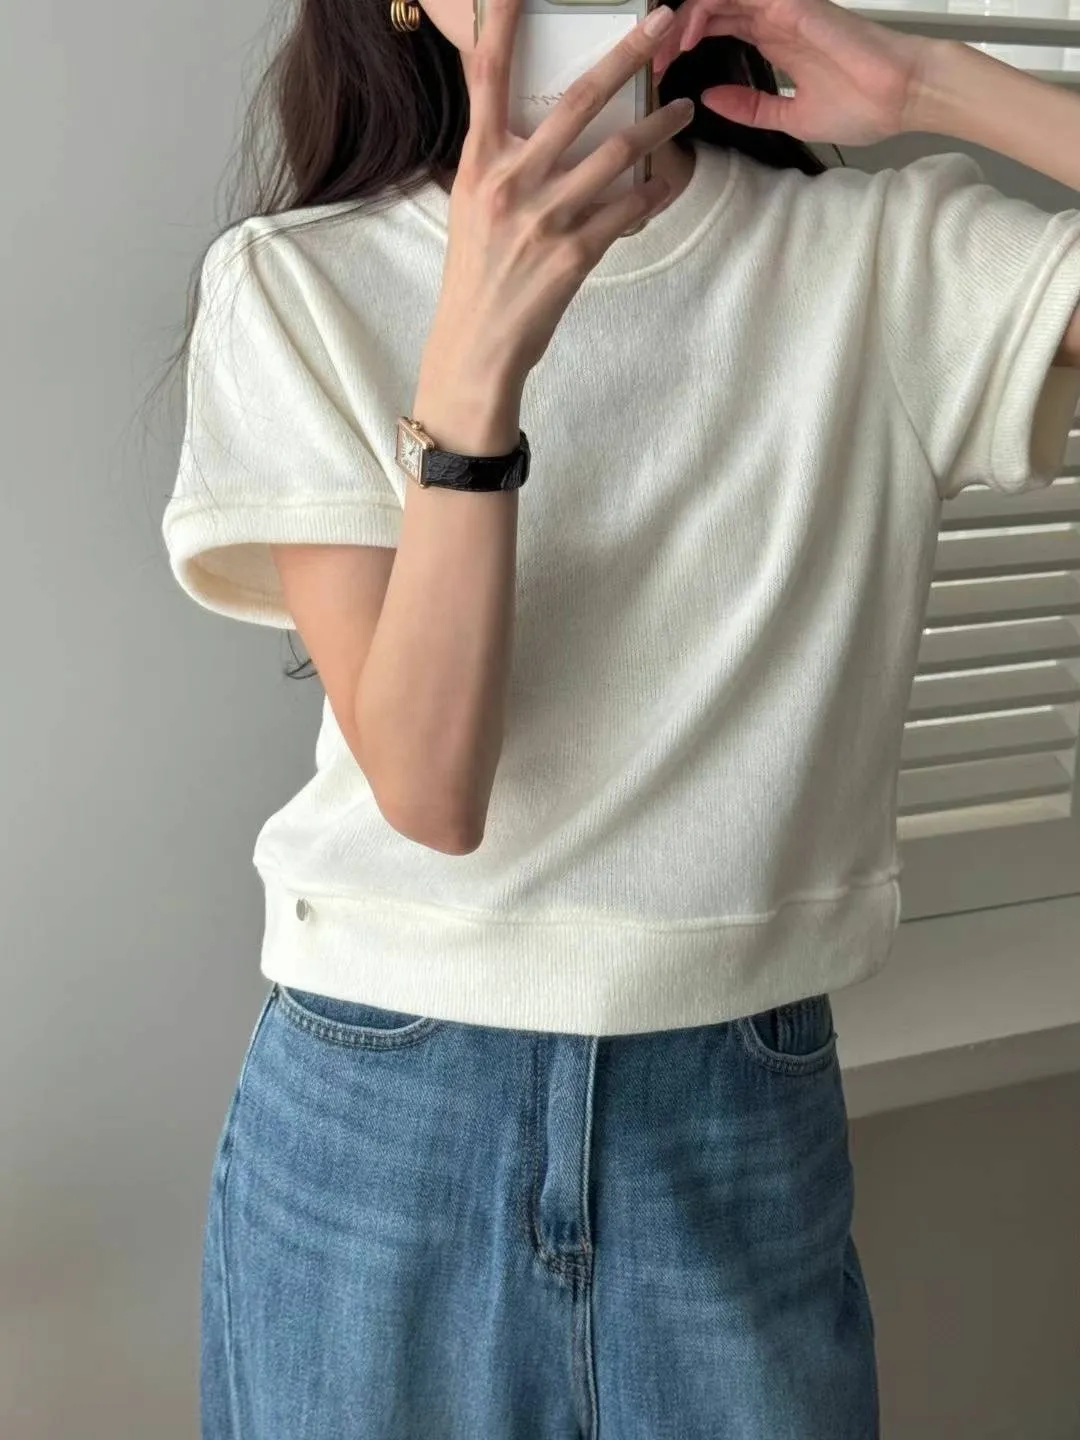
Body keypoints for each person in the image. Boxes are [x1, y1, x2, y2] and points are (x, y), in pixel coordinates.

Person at [160, 0, 1080, 1431]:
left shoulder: (882, 259)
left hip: (731, 1106)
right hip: (381, 1114)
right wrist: (473, 368)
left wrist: (930, 82)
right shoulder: (297, 280)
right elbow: (431, 792)